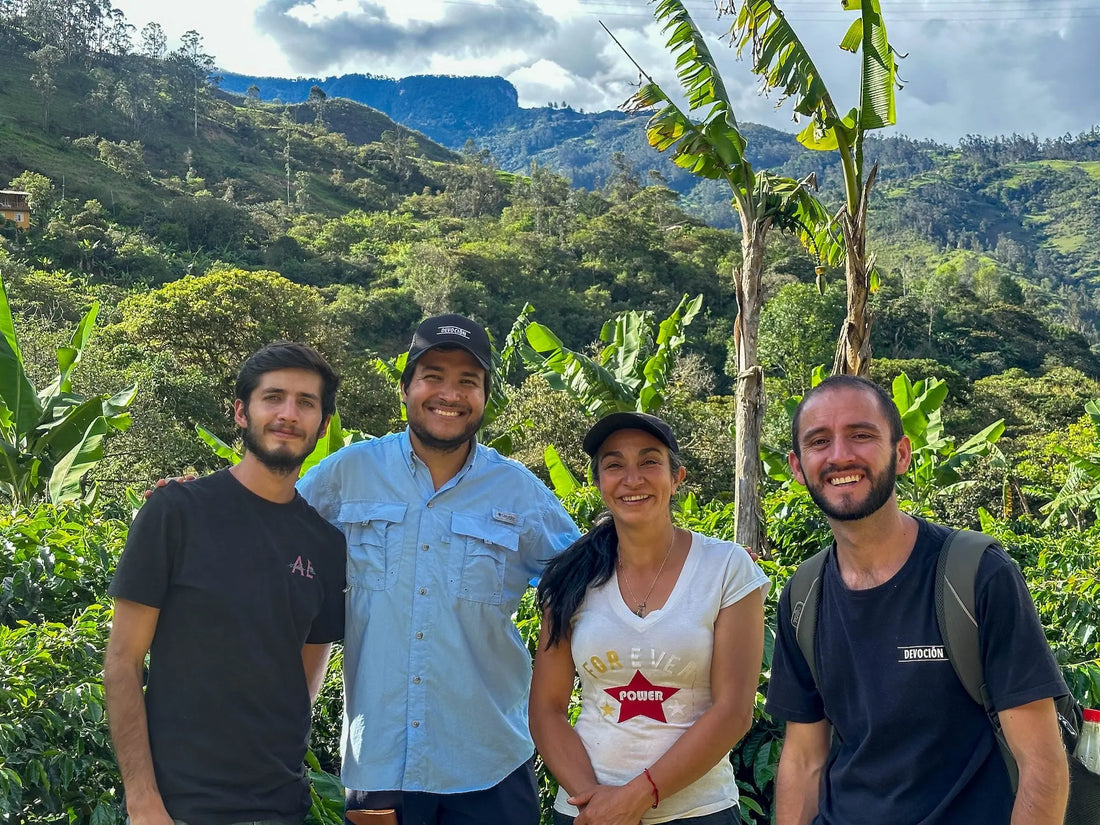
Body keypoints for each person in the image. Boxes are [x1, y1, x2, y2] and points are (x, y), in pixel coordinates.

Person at [296, 313, 580, 825]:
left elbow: (590, 583)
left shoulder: (519, 492)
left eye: (467, 381)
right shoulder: (347, 473)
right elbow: (265, 525)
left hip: (489, 762)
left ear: (485, 397)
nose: (449, 393)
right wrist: (200, 503)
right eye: (432, 377)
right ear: (405, 388)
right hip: (378, 763)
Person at [766, 374, 1070, 825]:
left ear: (902, 453)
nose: (840, 455)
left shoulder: (976, 575)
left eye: (861, 435)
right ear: (797, 466)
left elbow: (1041, 761)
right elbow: (803, 759)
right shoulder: (803, 594)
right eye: (818, 441)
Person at [103, 342, 347, 825]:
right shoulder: (176, 512)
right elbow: (122, 662)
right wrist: (143, 801)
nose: (288, 414)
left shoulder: (325, 544)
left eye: (306, 402)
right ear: (241, 412)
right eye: (273, 397)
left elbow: (305, 675)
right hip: (179, 806)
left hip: (281, 805)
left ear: (321, 426)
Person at [529, 412, 769, 825]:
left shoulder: (726, 568)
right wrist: (596, 804)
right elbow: (546, 709)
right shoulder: (569, 578)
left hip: (698, 812)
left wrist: (637, 797)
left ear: (677, 478)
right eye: (614, 465)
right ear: (599, 482)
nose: (632, 478)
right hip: (585, 811)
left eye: (649, 462)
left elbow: (733, 711)